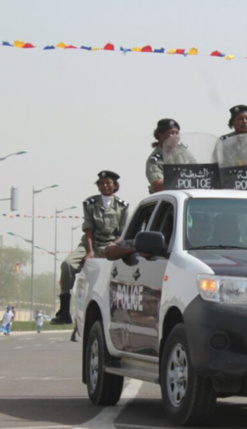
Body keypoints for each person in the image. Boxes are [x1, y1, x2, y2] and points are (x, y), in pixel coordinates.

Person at [53, 171, 129, 325]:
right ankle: (64, 311)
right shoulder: (90, 204)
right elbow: (88, 229)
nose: (105, 185)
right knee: (67, 265)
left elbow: (121, 233)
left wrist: (113, 249)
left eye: (108, 182)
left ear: (115, 186)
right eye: (101, 183)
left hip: (110, 244)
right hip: (91, 242)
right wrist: (90, 251)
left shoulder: (122, 206)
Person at [145, 118, 196, 194]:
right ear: (160, 135)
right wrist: (182, 179)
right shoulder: (154, 160)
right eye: (171, 133)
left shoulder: (184, 152)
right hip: (167, 199)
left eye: (177, 133)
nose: (175, 136)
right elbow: (158, 185)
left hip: (188, 194)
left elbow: (197, 170)